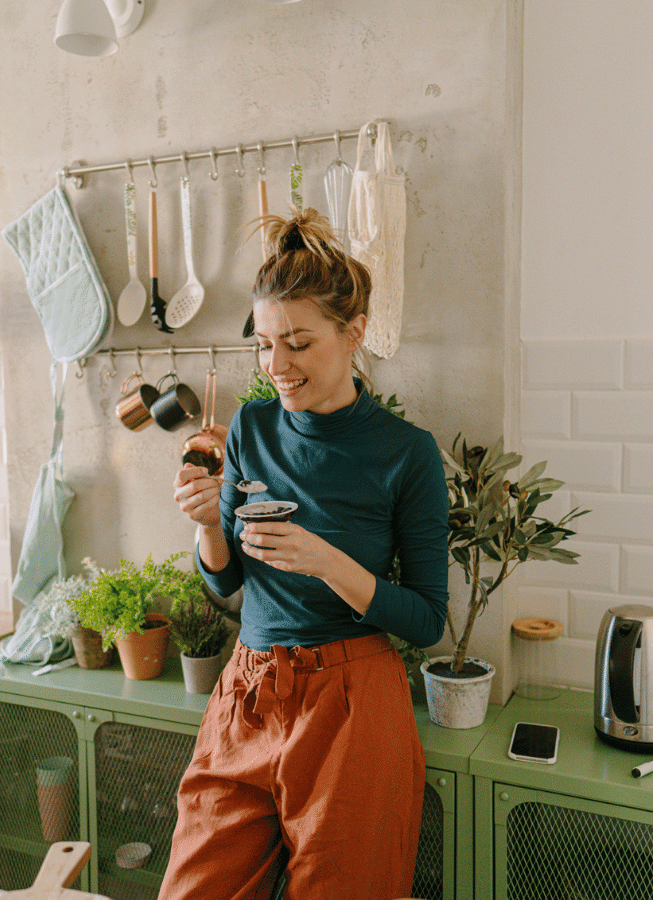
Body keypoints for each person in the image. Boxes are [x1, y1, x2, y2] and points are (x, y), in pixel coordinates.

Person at [161, 208, 449, 900]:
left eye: (297, 343)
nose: (276, 367)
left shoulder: (406, 454)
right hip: (248, 693)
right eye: (263, 345)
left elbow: (427, 620)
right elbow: (225, 585)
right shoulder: (251, 428)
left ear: (353, 335)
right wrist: (206, 527)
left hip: (352, 705)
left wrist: (327, 561)